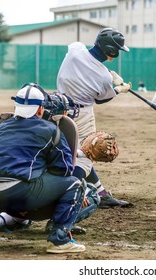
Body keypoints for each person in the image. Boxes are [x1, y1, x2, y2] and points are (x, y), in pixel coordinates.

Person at [0, 83, 91, 253]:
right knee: (76, 184)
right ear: (40, 110)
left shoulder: (0, 128)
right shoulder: (50, 129)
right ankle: (59, 239)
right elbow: (63, 170)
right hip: (21, 194)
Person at [56, 27, 132, 208]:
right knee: (86, 154)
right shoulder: (103, 76)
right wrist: (119, 89)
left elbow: (84, 61)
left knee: (62, 151)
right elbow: (102, 99)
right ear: (111, 51)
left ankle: (100, 192)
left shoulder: (76, 49)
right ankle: (66, 193)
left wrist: (106, 72)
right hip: (82, 115)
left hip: (57, 110)